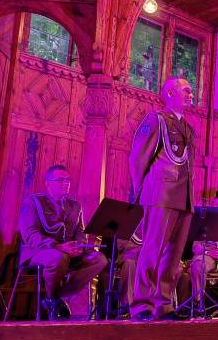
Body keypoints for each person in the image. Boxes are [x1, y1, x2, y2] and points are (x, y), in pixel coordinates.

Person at [129, 77, 195, 321]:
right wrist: (144, 192)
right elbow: (138, 159)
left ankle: (163, 304)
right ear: (170, 93)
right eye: (186, 90)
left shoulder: (188, 128)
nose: (190, 94)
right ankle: (141, 305)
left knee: (173, 256)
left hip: (184, 197)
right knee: (152, 251)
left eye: (191, 91)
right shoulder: (155, 120)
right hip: (160, 195)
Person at [18, 164, 107, 319]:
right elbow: (30, 234)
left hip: (68, 253)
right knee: (58, 258)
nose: (65, 183)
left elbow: (80, 232)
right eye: (60, 180)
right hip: (38, 252)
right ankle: (54, 299)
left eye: (67, 180)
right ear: (48, 183)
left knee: (99, 259)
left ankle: (56, 297)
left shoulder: (75, 206)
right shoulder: (33, 202)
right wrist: (58, 246)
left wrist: (78, 246)